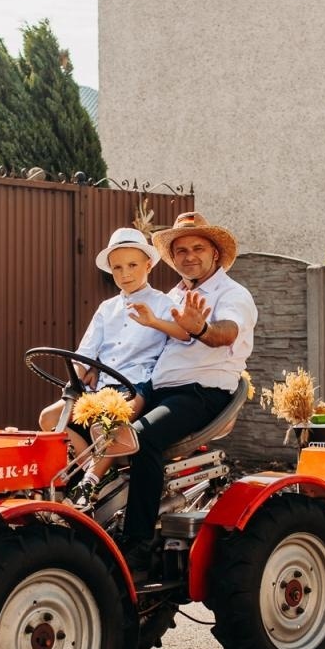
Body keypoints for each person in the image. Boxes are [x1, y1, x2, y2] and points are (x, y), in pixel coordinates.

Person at [121, 212, 257, 558]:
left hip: (200, 392)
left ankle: (136, 544)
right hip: (157, 389)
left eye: (198, 248)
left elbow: (227, 332)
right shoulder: (173, 295)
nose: (189, 256)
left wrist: (201, 329)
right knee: (89, 425)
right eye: (181, 250)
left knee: (140, 437)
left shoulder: (233, 293)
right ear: (173, 258)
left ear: (215, 253)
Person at [39, 227, 173, 450]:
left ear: (148, 265)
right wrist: (76, 381)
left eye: (132, 265)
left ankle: (96, 467)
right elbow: (85, 353)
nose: (125, 274)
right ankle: (84, 467)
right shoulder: (106, 308)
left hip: (134, 388)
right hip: (100, 389)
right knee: (48, 418)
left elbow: (178, 343)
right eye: (117, 268)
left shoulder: (164, 304)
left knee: (106, 428)